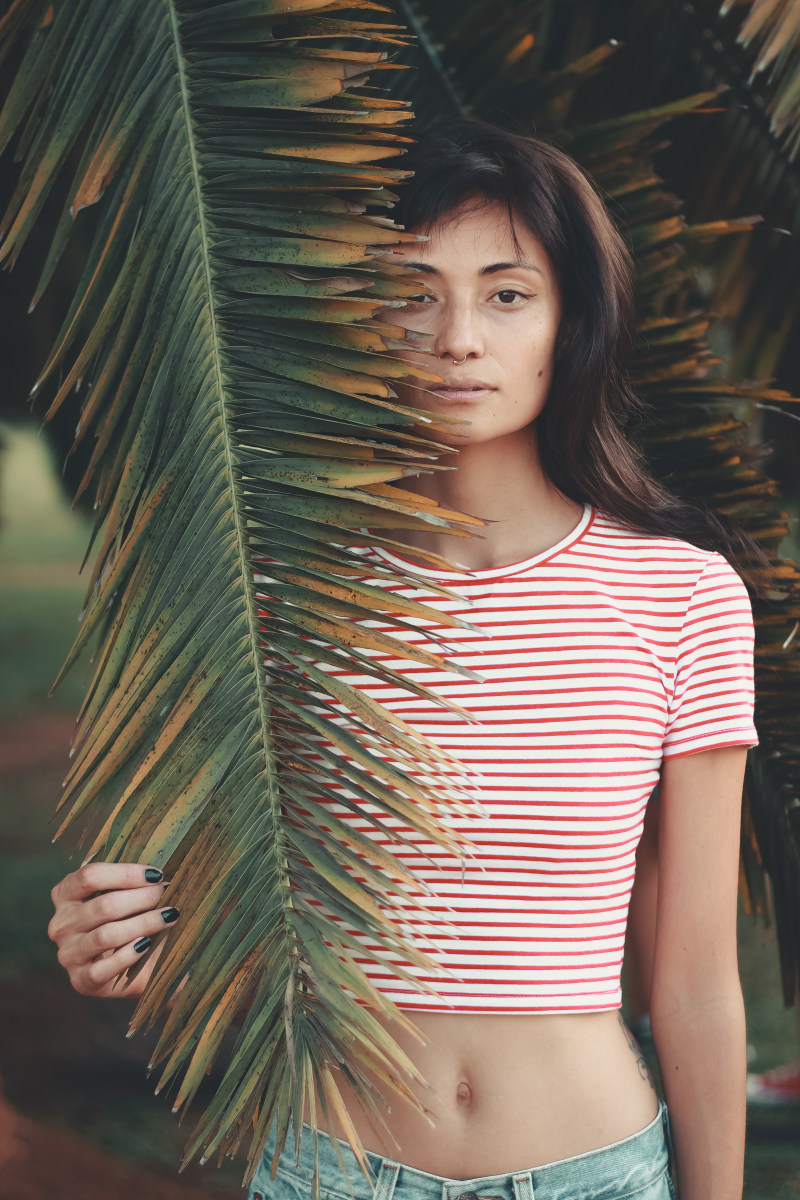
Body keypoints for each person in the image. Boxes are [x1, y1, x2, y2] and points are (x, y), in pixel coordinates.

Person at [47, 118, 765, 1200]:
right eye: (412, 290)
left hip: (592, 1174)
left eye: (505, 292)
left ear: (569, 318)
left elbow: (696, 980)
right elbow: (210, 908)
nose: (457, 336)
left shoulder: (678, 598)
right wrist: (114, 936)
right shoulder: (275, 594)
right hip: (329, 1170)